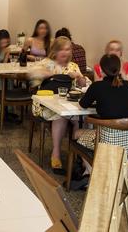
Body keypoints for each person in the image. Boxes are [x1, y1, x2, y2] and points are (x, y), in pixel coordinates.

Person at [30, 37, 88, 173]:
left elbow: (82, 85)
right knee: (60, 116)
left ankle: (80, 154)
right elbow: (33, 77)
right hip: (45, 104)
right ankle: (55, 153)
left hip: (68, 103)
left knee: (80, 119)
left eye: (68, 49)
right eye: (62, 49)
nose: (65, 52)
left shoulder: (73, 65)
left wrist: (80, 78)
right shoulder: (48, 63)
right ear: (55, 51)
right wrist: (60, 72)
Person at [77, 54, 128, 177]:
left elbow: (83, 104)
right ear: (119, 68)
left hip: (107, 143)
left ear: (101, 69)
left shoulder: (97, 86)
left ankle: (92, 172)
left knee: (76, 135)